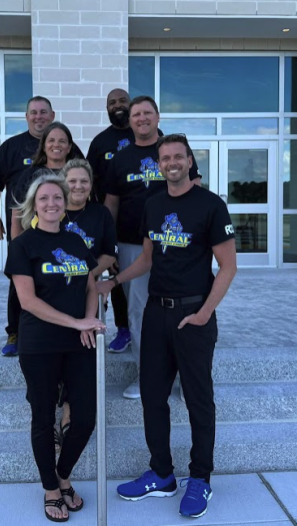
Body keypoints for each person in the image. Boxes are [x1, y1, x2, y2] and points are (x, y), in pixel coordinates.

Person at [98, 134, 236, 518]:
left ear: (190, 161)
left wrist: (206, 312)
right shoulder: (154, 204)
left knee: (197, 399)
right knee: (152, 396)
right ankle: (161, 473)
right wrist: (115, 281)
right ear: (158, 164)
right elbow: (146, 258)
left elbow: (228, 266)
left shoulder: (211, 205)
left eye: (178, 156)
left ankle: (201, 479)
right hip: (157, 314)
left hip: (193, 315)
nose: (172, 162)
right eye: (165, 158)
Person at [5, 174, 105, 522]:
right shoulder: (24, 245)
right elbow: (28, 302)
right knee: (44, 418)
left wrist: (89, 320)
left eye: (57, 199)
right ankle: (51, 488)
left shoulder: (75, 241)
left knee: (86, 419)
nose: (52, 204)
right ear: (35, 205)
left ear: (65, 205)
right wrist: (76, 322)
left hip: (79, 343)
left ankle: (63, 475)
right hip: (40, 345)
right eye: (44, 198)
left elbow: (91, 286)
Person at [102, 95, 200, 399]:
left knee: (184, 308)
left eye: (147, 113)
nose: (141, 118)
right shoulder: (121, 158)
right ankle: (148, 376)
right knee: (139, 313)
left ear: (157, 117)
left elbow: (194, 193)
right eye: (136, 114)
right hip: (132, 245)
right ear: (129, 121)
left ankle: (187, 377)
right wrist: (110, 249)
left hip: (177, 244)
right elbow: (111, 205)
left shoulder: (173, 151)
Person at [0, 98, 83, 356]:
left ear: (52, 115)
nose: (39, 117)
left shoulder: (74, 156)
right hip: (28, 235)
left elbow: (86, 187)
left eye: (44, 113)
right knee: (22, 283)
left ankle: (71, 327)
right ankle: (15, 332)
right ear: (26, 116)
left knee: (61, 281)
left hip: (69, 238)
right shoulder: (13, 148)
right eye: (34, 113)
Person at [56, 158, 118, 444]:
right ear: (63, 183)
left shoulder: (100, 214)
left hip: (88, 289)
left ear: (91, 185)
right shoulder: (51, 210)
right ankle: (58, 404)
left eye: (84, 181)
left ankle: (71, 409)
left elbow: (109, 254)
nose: (78, 186)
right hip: (54, 291)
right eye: (72, 181)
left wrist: (86, 275)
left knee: (82, 350)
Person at [86, 88, 135, 354]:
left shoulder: (150, 136)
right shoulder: (100, 142)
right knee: (117, 280)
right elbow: (89, 182)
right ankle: (124, 329)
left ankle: (150, 331)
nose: (117, 105)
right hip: (114, 224)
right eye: (111, 102)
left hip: (148, 228)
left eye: (122, 101)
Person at [10, 122, 80, 240]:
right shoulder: (30, 175)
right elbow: (17, 213)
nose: (56, 145)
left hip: (72, 239)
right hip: (37, 242)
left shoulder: (78, 174)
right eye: (51, 140)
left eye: (62, 141)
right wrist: (16, 245)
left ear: (69, 148)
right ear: (43, 146)